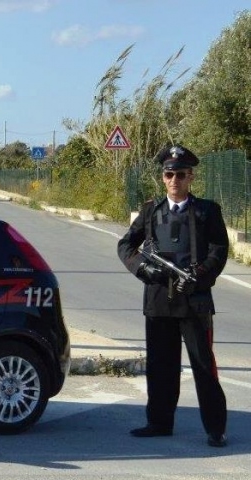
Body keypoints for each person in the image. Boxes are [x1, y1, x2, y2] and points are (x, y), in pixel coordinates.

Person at [117, 144, 229, 448]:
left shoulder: (206, 211)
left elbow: (219, 251)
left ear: (191, 177)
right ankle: (159, 422)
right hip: (158, 299)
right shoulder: (151, 210)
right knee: (160, 364)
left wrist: (200, 275)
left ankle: (215, 429)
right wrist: (144, 270)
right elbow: (126, 246)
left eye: (181, 174)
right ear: (163, 177)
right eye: (169, 174)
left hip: (194, 299)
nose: (174, 180)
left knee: (203, 365)